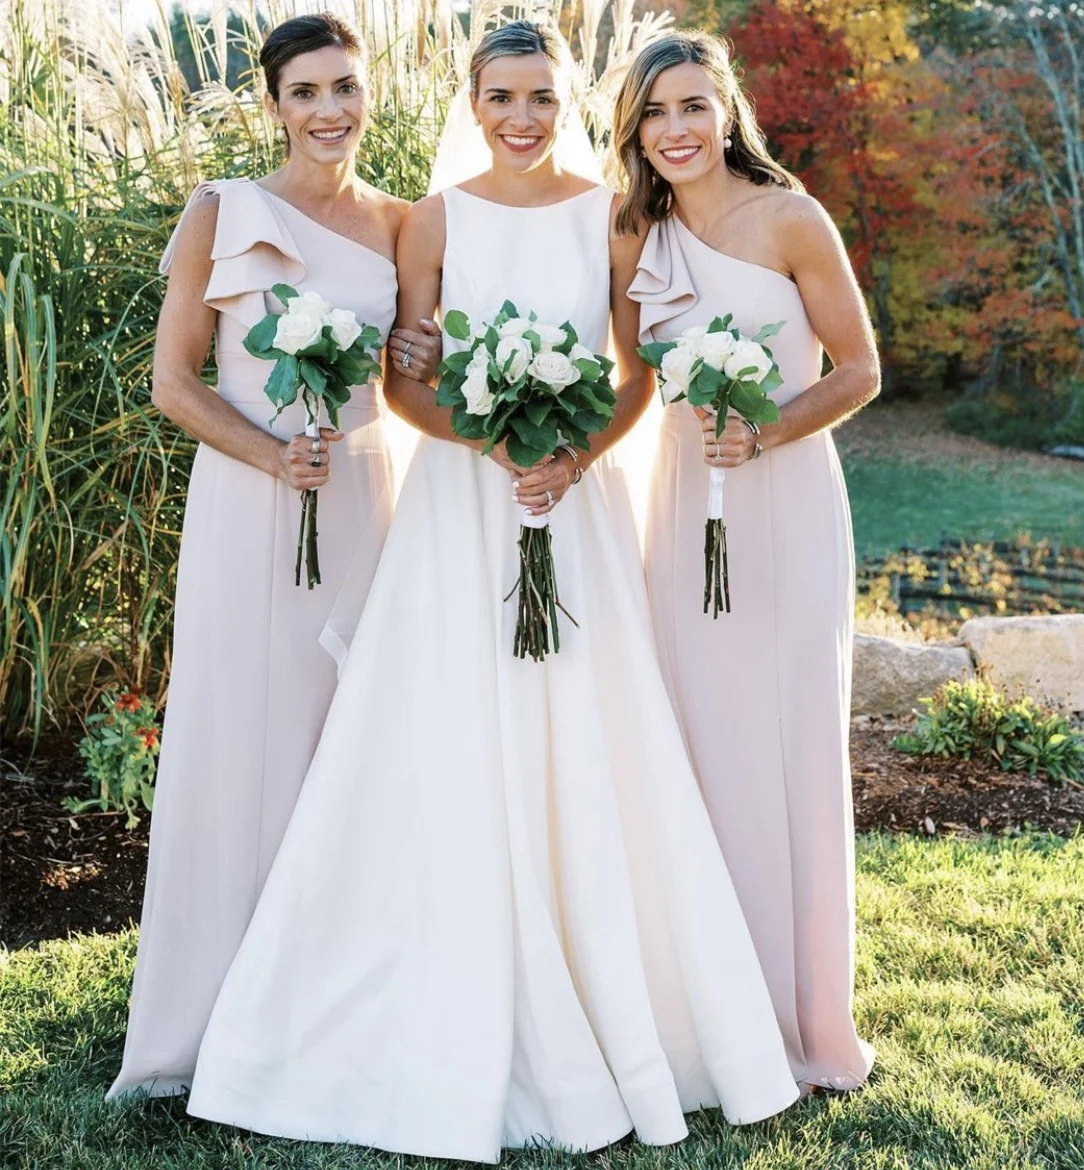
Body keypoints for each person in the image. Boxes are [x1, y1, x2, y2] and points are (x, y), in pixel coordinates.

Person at [182, 20, 799, 1162]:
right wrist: (493, 442)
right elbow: (402, 381)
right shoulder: (435, 219)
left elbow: (633, 374)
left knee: (593, 738)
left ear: (566, 103)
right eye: (503, 95)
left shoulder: (612, 217)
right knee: (436, 737)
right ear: (474, 98)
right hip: (464, 512)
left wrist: (569, 457)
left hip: (576, 509)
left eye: (543, 99)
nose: (523, 116)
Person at [106, 13, 440, 1100]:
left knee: (352, 741)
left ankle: (341, 1009)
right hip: (254, 511)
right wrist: (267, 457)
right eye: (307, 92)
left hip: (364, 501)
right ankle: (210, 1018)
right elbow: (175, 382)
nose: (330, 110)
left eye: (347, 87)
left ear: (367, 95)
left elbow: (400, 385)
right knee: (244, 736)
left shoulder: (402, 224)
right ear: (273, 105)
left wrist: (422, 356)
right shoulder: (224, 212)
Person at [618, 30, 880, 1092]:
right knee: (696, 740)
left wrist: (767, 427)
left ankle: (805, 1022)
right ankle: (703, 1008)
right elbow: (630, 378)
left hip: (785, 508)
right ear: (634, 130)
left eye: (692, 107)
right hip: (682, 505)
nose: (676, 131)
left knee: (787, 745)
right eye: (654, 114)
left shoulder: (792, 218)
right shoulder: (638, 231)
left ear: (727, 109)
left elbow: (860, 368)